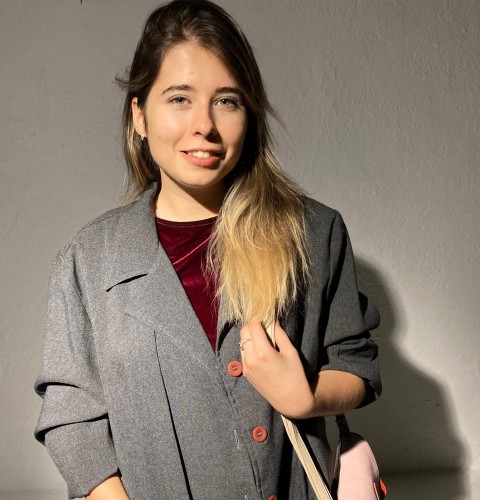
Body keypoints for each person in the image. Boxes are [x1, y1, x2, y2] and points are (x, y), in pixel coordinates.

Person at [34, 1, 381, 498]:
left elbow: (356, 366)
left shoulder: (313, 232)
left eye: (227, 100)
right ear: (140, 115)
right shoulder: (89, 258)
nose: (205, 126)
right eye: (179, 98)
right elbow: (72, 418)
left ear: (249, 115)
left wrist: (304, 398)